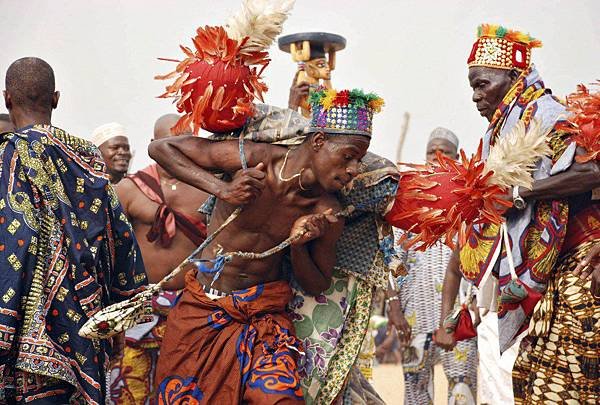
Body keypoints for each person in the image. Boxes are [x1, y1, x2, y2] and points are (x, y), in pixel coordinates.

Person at [150, 88, 383, 404]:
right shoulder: (255, 158)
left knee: (278, 399)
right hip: (202, 307)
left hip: (264, 320)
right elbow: (161, 149)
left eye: (358, 160)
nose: (354, 169)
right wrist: (224, 189)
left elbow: (317, 283)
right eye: (347, 156)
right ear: (317, 142)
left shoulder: (326, 211)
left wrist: (299, 245)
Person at [458, 24, 600, 403]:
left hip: (575, 264)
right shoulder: (496, 132)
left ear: (513, 75)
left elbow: (591, 172)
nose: (475, 96)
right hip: (522, 274)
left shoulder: (551, 115)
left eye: (482, 84)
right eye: (472, 86)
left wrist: (522, 192)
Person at [0, 57, 146, 404]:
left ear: (7, 98)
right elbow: (117, 238)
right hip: (80, 327)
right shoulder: (88, 161)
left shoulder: (4, 160)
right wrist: (114, 316)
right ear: (56, 99)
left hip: (14, 330)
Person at [108, 114, 208, 404]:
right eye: (170, 142)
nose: (179, 150)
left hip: (190, 310)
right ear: (154, 145)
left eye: (186, 142)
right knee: (130, 395)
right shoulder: (129, 188)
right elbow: (104, 250)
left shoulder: (212, 190)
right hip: (138, 310)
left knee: (184, 393)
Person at [390, 128, 477, 404]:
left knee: (461, 386)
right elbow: (394, 260)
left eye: (446, 152)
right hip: (413, 315)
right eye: (432, 151)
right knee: (415, 386)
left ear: (458, 157)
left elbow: (479, 254)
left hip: (459, 315)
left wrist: (476, 301)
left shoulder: (470, 200)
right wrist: (394, 308)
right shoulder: (409, 201)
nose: (437, 157)